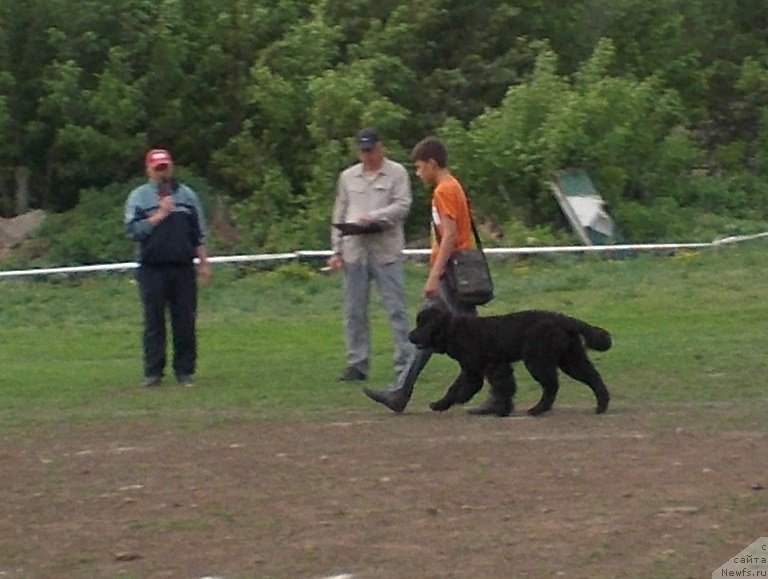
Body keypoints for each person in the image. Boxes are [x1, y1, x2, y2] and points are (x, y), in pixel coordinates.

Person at [363, 136, 499, 414]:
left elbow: (449, 236)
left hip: (450, 274)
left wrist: (434, 275)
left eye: (419, 166)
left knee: (473, 337)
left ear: (432, 163)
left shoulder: (443, 191)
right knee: (428, 332)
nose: (418, 173)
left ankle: (499, 392)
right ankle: (400, 391)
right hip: (453, 271)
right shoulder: (454, 186)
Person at [327, 128, 413, 383]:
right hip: (355, 251)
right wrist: (336, 250)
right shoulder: (347, 177)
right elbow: (340, 211)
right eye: (363, 151)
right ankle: (357, 362)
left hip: (386, 250)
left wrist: (375, 217)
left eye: (371, 150)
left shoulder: (397, 173)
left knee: (395, 308)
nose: (367, 156)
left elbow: (403, 205)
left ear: (380, 147)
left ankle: (404, 361)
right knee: (354, 311)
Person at [124, 148, 211, 388]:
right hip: (152, 268)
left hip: (183, 267)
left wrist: (203, 262)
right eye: (158, 168)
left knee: (185, 321)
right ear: (149, 170)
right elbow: (132, 231)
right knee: (154, 321)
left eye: (165, 167)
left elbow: (198, 233)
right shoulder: (139, 197)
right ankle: (153, 372)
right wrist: (159, 215)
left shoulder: (187, 196)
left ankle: (184, 371)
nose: (162, 172)